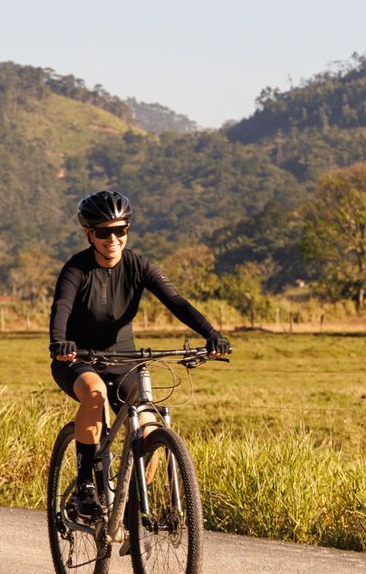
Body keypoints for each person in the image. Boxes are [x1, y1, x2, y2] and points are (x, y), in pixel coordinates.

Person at [48, 189, 231, 521]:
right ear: (89, 234)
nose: (112, 239)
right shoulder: (76, 269)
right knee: (94, 393)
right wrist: (60, 342)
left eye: (120, 230)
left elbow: (177, 303)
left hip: (124, 361)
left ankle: (133, 505)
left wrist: (211, 334)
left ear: (127, 230)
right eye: (103, 232)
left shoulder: (139, 266)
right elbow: (61, 307)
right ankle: (86, 486)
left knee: (149, 422)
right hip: (78, 359)